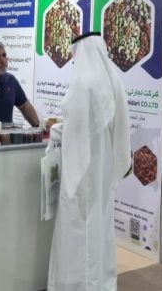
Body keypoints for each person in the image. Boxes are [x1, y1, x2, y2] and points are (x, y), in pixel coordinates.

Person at [47, 32, 131, 290]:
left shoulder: (84, 83)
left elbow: (75, 129)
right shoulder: (113, 80)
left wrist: (54, 130)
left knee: (78, 226)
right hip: (103, 166)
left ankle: (77, 284)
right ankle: (100, 283)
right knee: (99, 226)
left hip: (83, 169)